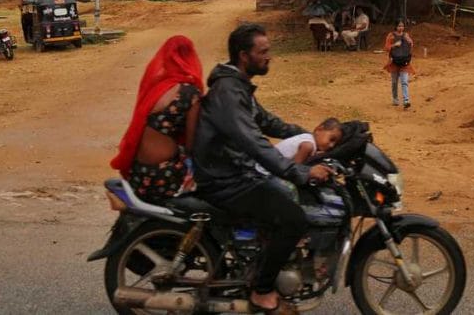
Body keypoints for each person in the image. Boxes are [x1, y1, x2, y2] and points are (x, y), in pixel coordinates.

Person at [192, 23, 331, 315]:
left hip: (237, 173)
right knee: (293, 218)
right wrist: (301, 172)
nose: (270, 57)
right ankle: (262, 291)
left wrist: (311, 139)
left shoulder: (238, 86)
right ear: (244, 56)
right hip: (226, 180)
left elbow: (269, 123)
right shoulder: (228, 93)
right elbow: (255, 143)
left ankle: (263, 263)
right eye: (263, 52)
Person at [111, 36, 204, 203]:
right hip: (163, 176)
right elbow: (192, 144)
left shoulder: (157, 87)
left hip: (137, 173)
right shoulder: (190, 93)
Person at [384, 19, 415, 109]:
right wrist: (394, 45)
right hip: (394, 62)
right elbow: (386, 48)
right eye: (399, 26)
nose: (401, 28)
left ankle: (406, 100)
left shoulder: (406, 35)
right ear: (395, 27)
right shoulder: (391, 36)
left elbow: (411, 45)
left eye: (402, 26)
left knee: (404, 81)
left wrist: (410, 42)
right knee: (394, 82)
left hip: (404, 62)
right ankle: (395, 99)